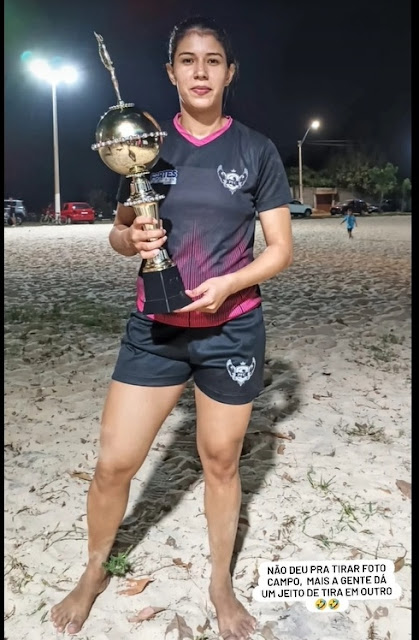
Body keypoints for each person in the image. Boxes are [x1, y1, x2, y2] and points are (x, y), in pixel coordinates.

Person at [51, 15, 293, 640]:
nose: (201, 71)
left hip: (231, 329)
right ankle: (94, 571)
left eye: (213, 60)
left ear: (230, 73)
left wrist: (230, 283)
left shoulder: (257, 150)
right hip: (154, 331)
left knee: (221, 461)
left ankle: (220, 583)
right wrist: (130, 239)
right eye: (188, 60)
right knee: (114, 464)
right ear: (171, 72)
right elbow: (118, 233)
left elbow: (279, 249)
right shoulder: (146, 144)